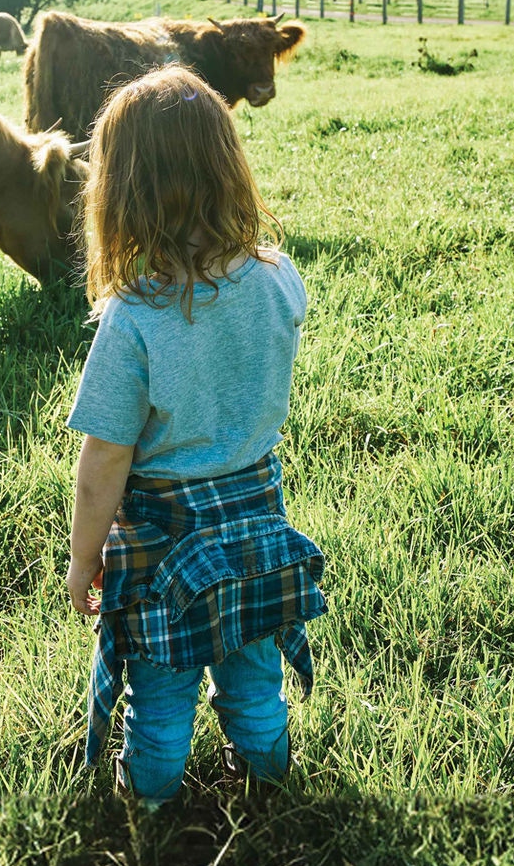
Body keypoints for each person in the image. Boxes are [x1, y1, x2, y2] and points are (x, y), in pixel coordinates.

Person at [64, 64, 325, 807]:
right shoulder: (279, 278)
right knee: (253, 676)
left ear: (122, 192)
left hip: (162, 538)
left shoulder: (134, 320)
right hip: (256, 520)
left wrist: (85, 562)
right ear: (226, 168)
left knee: (161, 696)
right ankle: (269, 784)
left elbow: (102, 463)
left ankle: (149, 808)